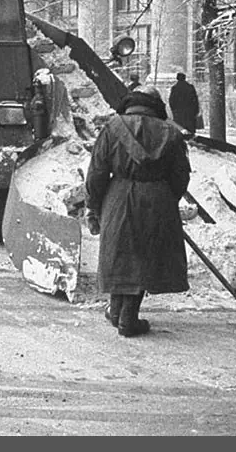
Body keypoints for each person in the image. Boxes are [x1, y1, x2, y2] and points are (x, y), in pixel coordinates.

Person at [85, 86, 191, 337]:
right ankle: (126, 315)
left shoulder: (113, 128)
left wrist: (93, 204)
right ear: (156, 107)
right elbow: (181, 176)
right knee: (145, 256)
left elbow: (97, 172)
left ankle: (120, 313)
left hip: (118, 196)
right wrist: (166, 198)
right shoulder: (172, 134)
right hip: (158, 199)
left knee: (120, 252)